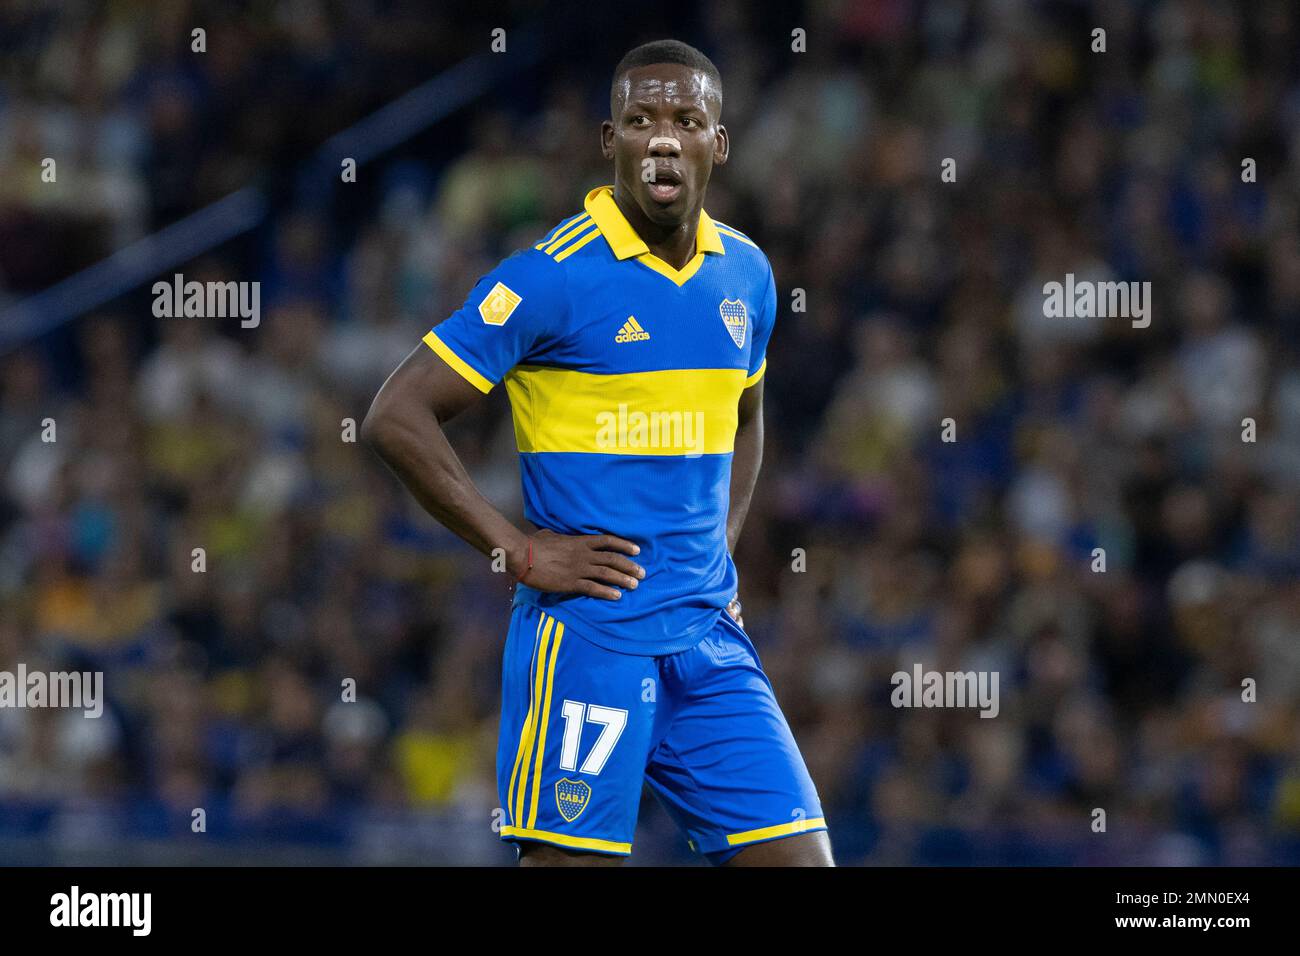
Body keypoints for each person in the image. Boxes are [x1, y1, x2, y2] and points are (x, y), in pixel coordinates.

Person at [363, 39, 831, 866]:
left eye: (687, 119)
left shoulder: (747, 275)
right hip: (588, 639)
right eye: (640, 118)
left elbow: (746, 415)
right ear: (607, 138)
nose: (662, 137)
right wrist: (515, 549)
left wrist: (719, 542)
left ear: (717, 144)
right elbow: (396, 416)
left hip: (710, 640)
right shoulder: (551, 278)